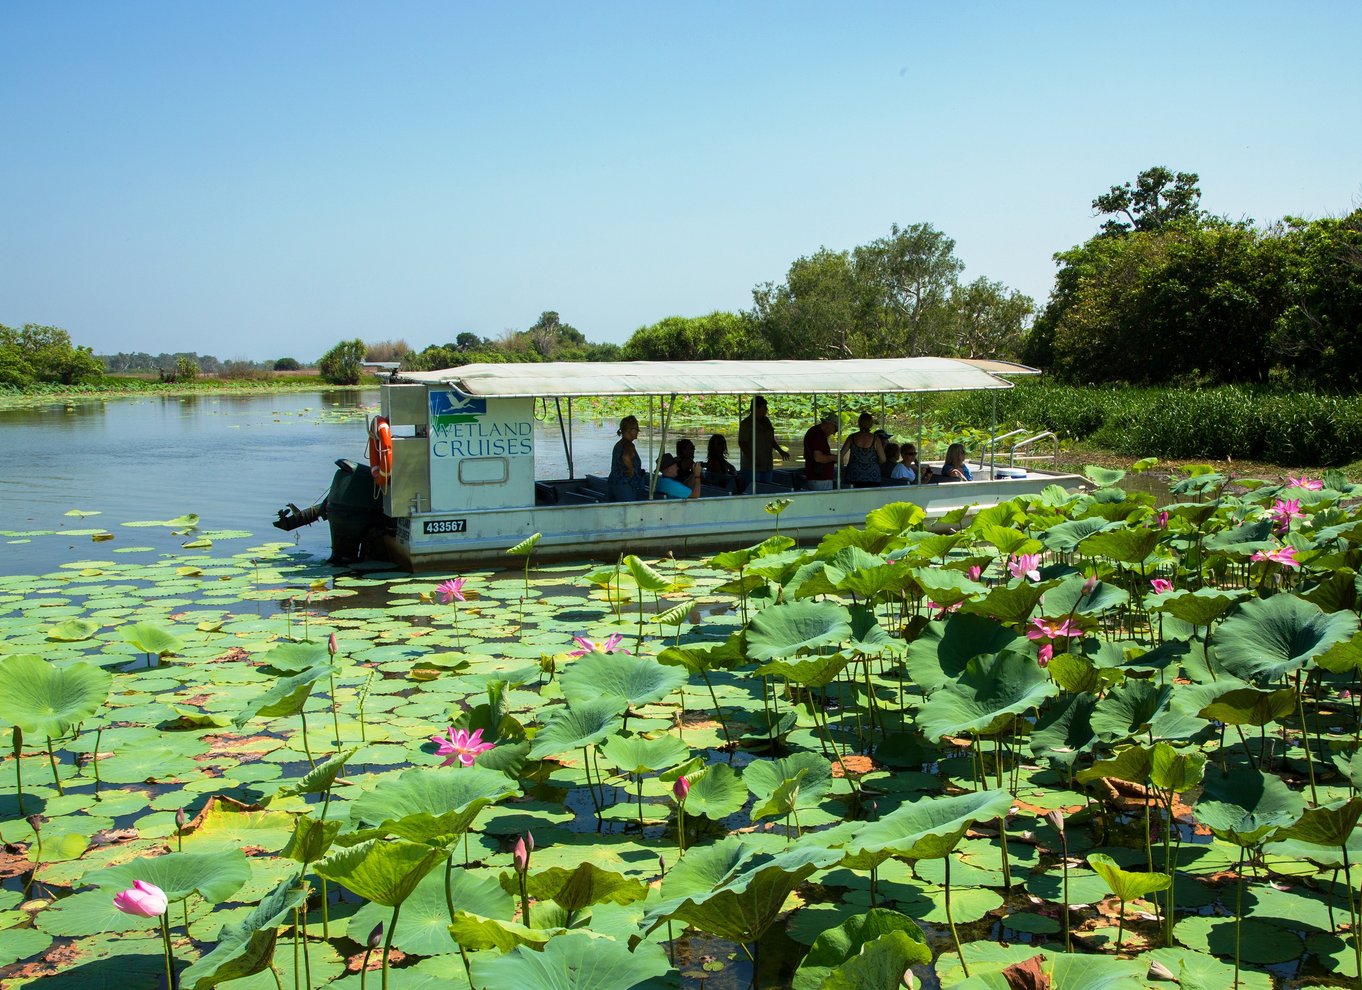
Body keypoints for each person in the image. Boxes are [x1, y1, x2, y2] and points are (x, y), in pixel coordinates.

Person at [737, 396, 788, 494]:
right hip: (752, 467)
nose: (766, 410)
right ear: (756, 408)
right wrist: (753, 458)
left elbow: (771, 440)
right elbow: (742, 443)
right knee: (752, 492)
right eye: (764, 407)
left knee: (766, 491)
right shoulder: (746, 424)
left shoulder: (767, 421)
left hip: (767, 464)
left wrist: (780, 451)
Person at [607, 415, 648, 501]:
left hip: (613, 483)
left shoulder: (618, 444)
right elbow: (625, 457)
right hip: (625, 485)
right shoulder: (629, 445)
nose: (638, 432)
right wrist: (631, 469)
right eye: (637, 430)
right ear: (631, 430)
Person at [840, 412, 885, 488]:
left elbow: (840, 456)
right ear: (871, 424)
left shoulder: (852, 437)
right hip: (873, 476)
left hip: (854, 474)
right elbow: (883, 459)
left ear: (859, 423)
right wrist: (874, 464)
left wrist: (843, 469)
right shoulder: (875, 439)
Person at [803, 413, 839, 491]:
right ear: (830, 425)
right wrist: (835, 458)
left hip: (816, 477)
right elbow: (818, 458)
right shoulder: (818, 435)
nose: (834, 433)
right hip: (820, 479)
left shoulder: (814, 431)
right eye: (835, 429)